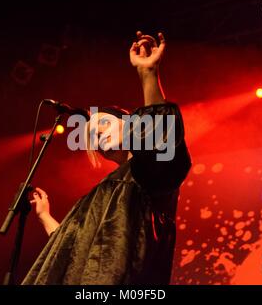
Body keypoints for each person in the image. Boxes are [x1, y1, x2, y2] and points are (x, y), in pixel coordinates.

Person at [22, 31, 191, 284]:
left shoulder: (150, 173)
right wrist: (44, 216)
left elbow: (159, 142)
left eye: (102, 123)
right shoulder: (101, 193)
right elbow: (72, 249)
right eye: (92, 136)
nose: (97, 134)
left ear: (129, 124)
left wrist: (148, 74)